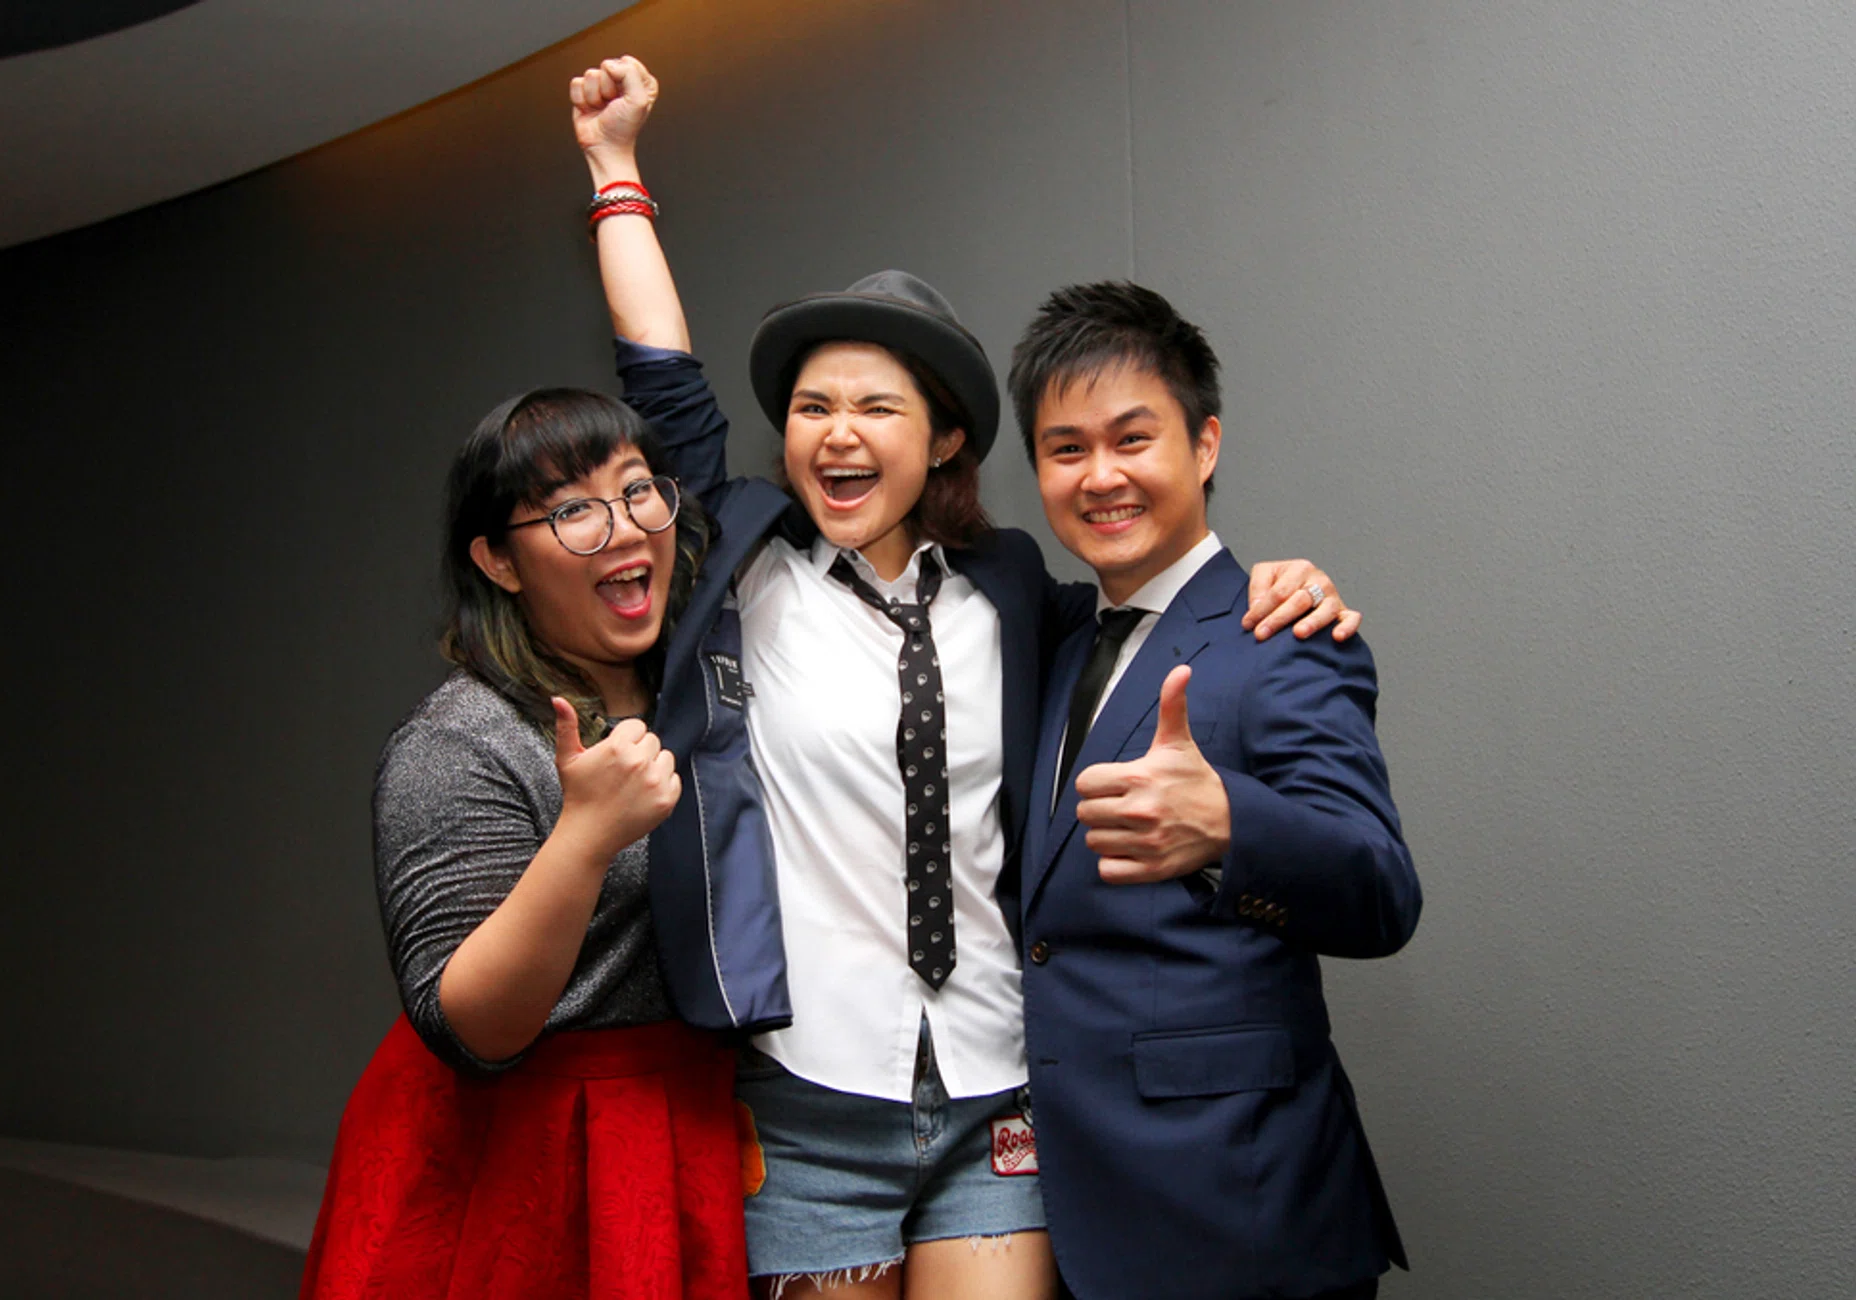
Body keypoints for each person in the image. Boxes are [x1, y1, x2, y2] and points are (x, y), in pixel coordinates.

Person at [570, 57, 1362, 1300]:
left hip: (1003, 1086)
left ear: (939, 436)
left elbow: (1154, 607)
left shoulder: (1012, 594)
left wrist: (1278, 577)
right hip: (810, 1097)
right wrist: (616, 169)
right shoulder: (736, 573)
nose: (837, 431)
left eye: (875, 405)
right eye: (813, 406)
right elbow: (662, 381)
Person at [301, 389, 779, 1300]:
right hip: (521, 1158)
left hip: (685, 1131)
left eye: (638, 491)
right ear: (499, 561)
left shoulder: (704, 696)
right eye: (570, 511)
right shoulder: (460, 741)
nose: (624, 528)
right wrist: (584, 838)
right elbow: (470, 1026)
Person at [1010, 282, 1422, 1300]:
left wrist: (1229, 823)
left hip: (1237, 1213)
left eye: (1132, 438)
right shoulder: (1056, 635)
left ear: (1204, 444)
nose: (1100, 475)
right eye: (1066, 450)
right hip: (1067, 1211)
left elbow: (1381, 888)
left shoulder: (1281, 635)